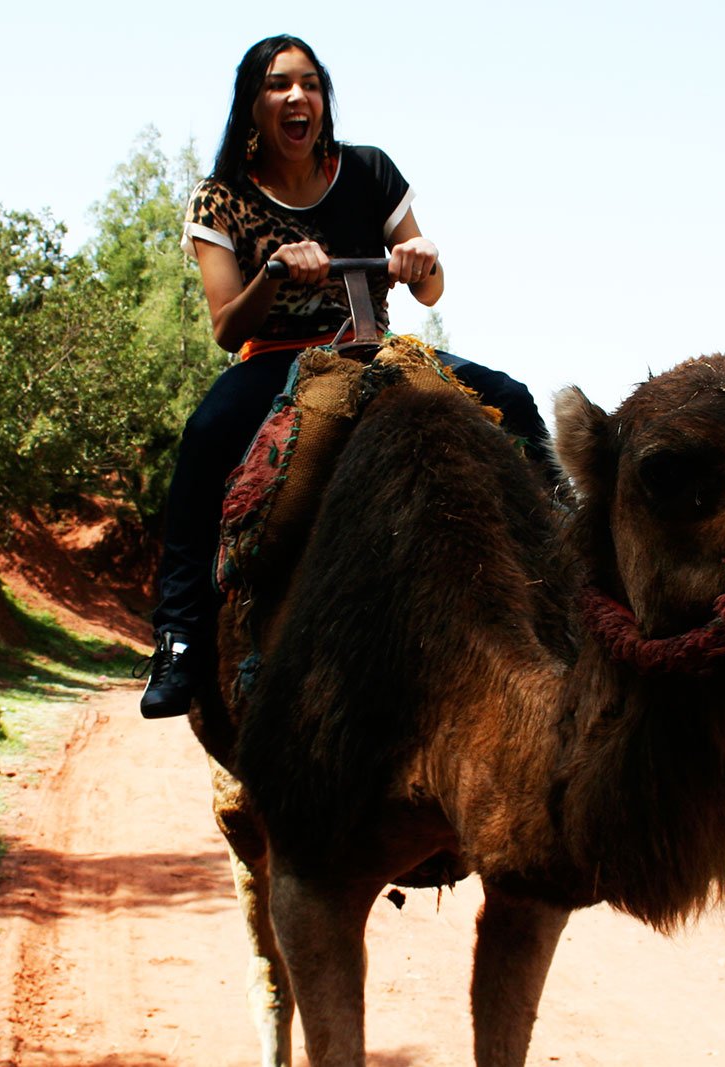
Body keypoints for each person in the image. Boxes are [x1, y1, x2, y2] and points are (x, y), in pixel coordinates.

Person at [140, 34, 551, 718]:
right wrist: (274, 274)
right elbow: (226, 329)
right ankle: (180, 634)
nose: (296, 97)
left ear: (324, 99)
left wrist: (422, 258)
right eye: (277, 85)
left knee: (509, 398)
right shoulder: (221, 199)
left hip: (372, 344)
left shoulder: (369, 172)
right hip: (277, 357)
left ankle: (566, 550)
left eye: (309, 83)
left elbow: (432, 292)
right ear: (252, 105)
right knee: (207, 432)